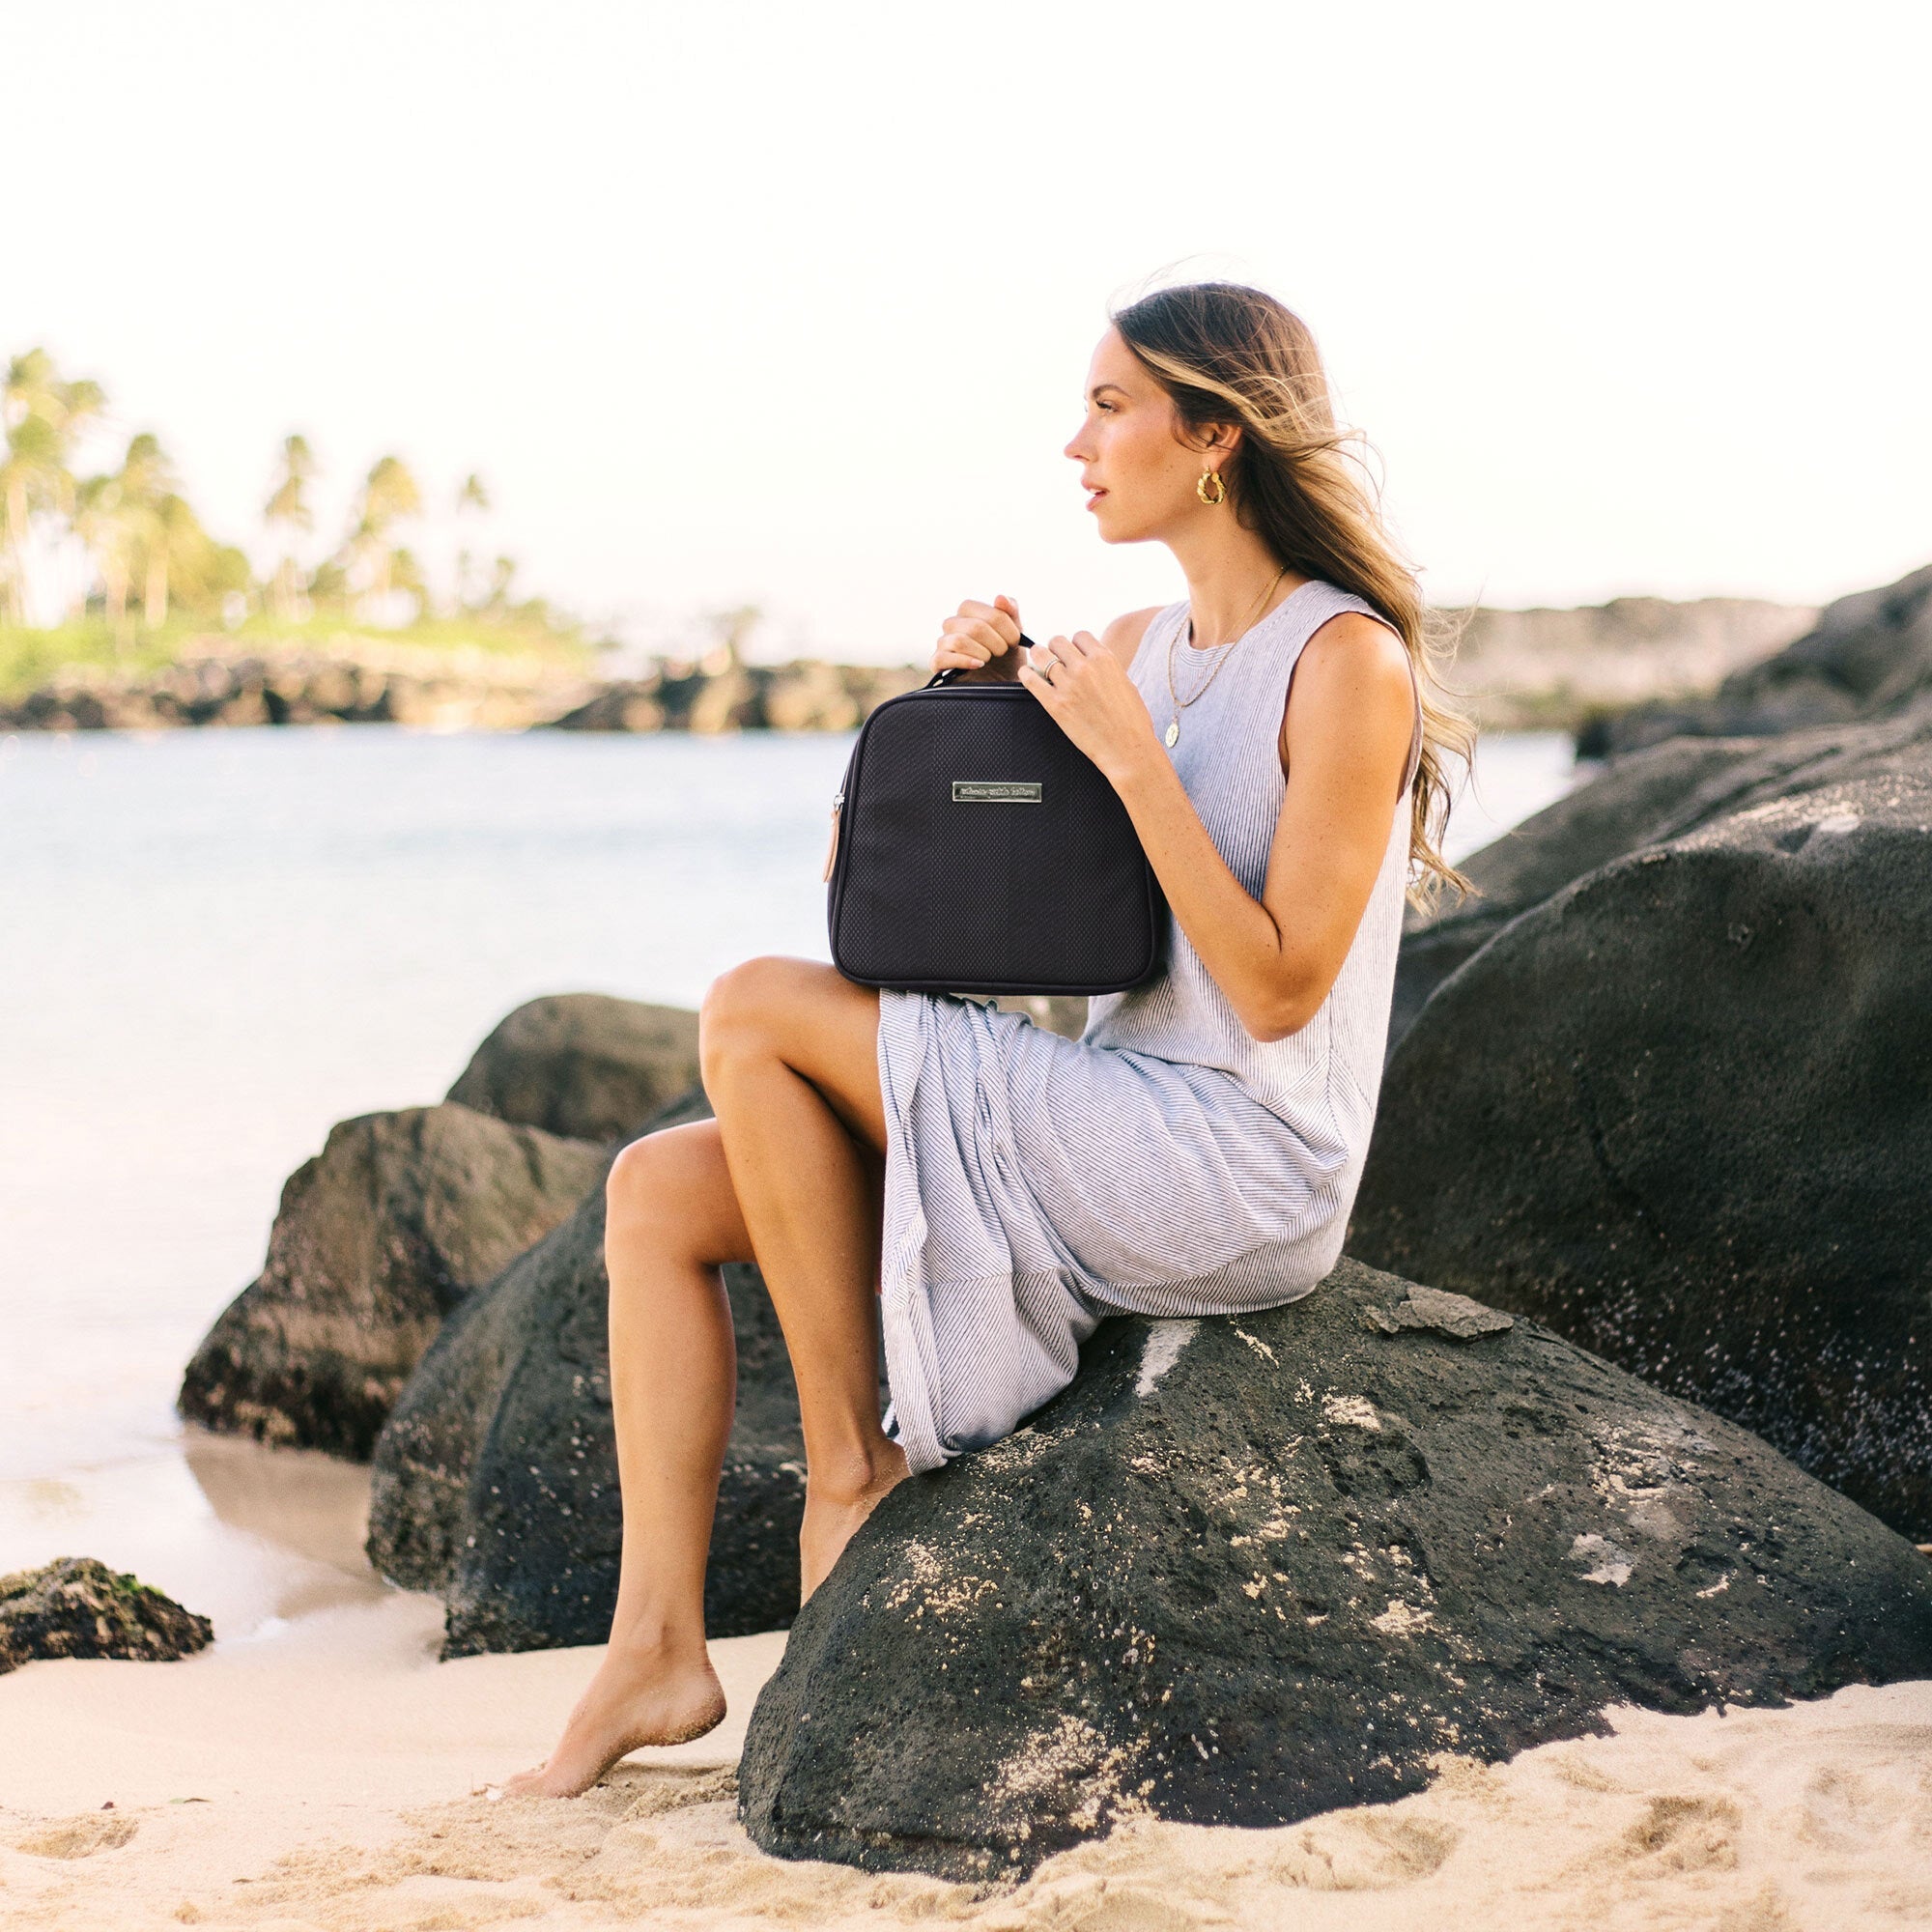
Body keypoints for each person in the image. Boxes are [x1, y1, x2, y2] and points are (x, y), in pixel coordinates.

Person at [504, 281, 1472, 1799]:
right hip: (1113, 1113)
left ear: (1213, 435)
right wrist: (977, 709)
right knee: (657, 1196)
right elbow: (1032, 935)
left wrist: (1130, 760)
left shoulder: (1346, 663)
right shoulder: (1145, 641)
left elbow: (1283, 990)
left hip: (1237, 1164)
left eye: (1108, 406)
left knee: (755, 1005)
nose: (1075, 441)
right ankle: (655, 1651)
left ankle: (849, 1475)